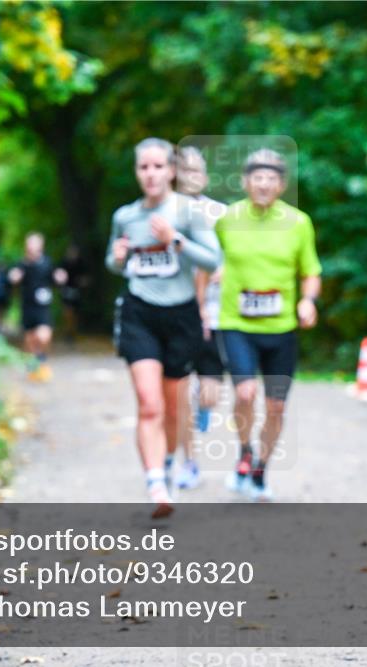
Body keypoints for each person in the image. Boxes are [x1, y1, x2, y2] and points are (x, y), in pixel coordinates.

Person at [106, 138, 222, 519]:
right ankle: (156, 481)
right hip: (139, 313)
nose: (151, 174)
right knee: (149, 402)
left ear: (171, 171)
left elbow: (212, 258)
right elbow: (115, 261)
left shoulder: (188, 211)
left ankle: (168, 461)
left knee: (173, 409)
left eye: (158, 167)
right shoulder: (125, 216)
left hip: (181, 316)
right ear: (137, 173)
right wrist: (119, 258)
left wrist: (173, 240)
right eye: (144, 168)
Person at [216, 148, 322, 502]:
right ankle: (245, 450)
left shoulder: (298, 223)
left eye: (271, 178)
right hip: (236, 323)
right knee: (245, 393)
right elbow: (207, 262)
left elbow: (311, 273)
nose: (263, 184)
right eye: (257, 178)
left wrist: (308, 301)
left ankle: (260, 468)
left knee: (276, 407)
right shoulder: (226, 219)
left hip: (281, 328)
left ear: (281, 184)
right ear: (246, 182)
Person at [175, 145, 229, 490]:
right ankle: (189, 462)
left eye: (198, 170)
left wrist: (225, 269)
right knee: (180, 391)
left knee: (209, 391)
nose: (193, 176)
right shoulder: (166, 212)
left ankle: (204, 408)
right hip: (177, 310)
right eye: (187, 170)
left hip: (215, 310)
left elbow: (236, 255)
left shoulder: (221, 213)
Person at [9, 233, 67, 382]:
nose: (32, 247)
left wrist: (59, 277)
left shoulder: (47, 263)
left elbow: (55, 278)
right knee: (29, 338)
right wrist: (14, 277)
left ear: (41, 245)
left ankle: (40, 359)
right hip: (27, 305)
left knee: (43, 336)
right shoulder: (21, 264)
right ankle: (34, 364)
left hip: (43, 306)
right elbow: (12, 279)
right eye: (30, 243)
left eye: (35, 243)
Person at [57, 244, 87, 347]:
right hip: (66, 291)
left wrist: (83, 281)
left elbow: (86, 277)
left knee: (75, 313)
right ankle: (68, 332)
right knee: (67, 312)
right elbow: (58, 275)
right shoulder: (63, 263)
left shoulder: (80, 263)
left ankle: (72, 331)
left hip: (77, 291)